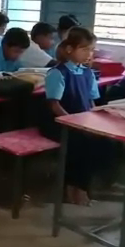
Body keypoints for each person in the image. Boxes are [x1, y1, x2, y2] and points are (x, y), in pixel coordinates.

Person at [41, 27, 108, 205]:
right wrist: (73, 123)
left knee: (102, 142)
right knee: (80, 143)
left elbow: (91, 102)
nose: (89, 54)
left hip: (81, 122)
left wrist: (95, 121)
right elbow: (54, 105)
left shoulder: (88, 73)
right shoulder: (58, 73)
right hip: (60, 122)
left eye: (92, 49)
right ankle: (71, 188)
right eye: (85, 49)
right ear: (70, 49)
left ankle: (82, 187)